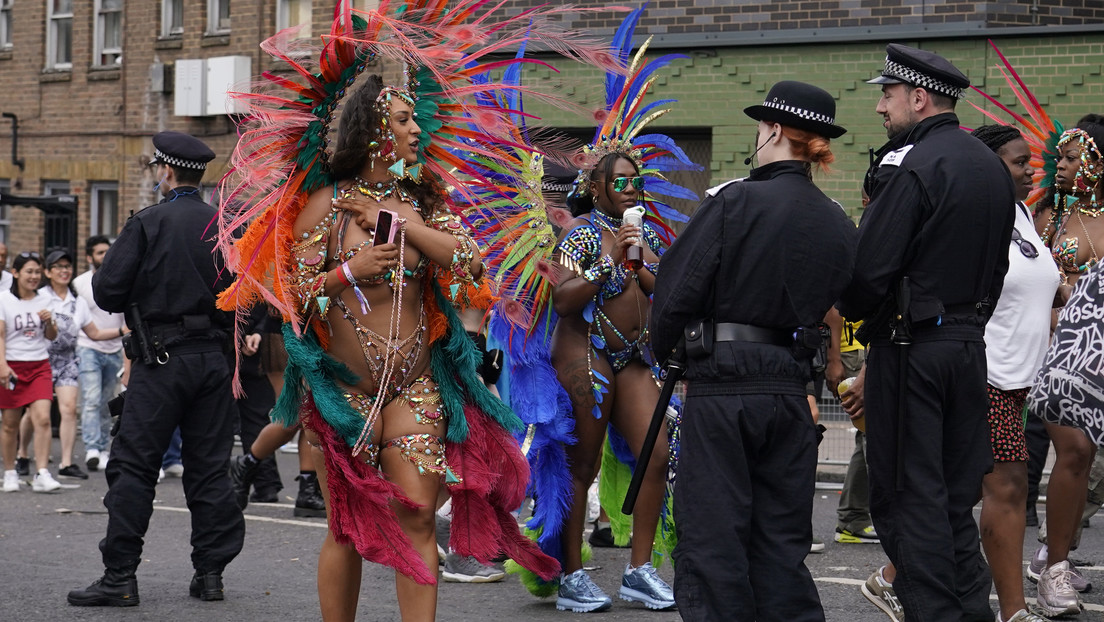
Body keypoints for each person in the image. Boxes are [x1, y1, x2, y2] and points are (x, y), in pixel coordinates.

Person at [651, 80, 856, 621]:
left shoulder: (735, 201)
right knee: (780, 545)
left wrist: (664, 350)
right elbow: (850, 297)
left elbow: (676, 289)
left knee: (715, 542)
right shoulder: (836, 220)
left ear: (771, 131)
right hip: (791, 391)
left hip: (724, 388)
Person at [838, 44, 1016, 621]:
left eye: (887, 96)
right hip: (966, 350)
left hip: (911, 351)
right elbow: (998, 268)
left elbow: (867, 274)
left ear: (918, 98)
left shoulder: (913, 164)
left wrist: (858, 310)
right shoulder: (989, 165)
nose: (881, 109)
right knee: (949, 503)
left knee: (910, 504)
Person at [67, 130, 244, 607]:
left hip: (162, 357)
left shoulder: (147, 223)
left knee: (134, 467)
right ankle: (210, 575)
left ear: (166, 172)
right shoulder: (225, 226)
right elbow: (245, 293)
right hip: (212, 358)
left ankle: (119, 576)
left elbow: (106, 292)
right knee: (209, 470)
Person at [969, 125, 1060, 622]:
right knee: (1007, 488)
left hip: (1027, 381)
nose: (1031, 170)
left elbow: (1037, 289)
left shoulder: (1022, 214)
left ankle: (892, 576)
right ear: (986, 165)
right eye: (1018, 161)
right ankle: (1013, 610)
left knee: (964, 487)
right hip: (988, 374)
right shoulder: (976, 217)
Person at [1029, 116, 1104, 615]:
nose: (1061, 166)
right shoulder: (1051, 218)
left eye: (1073, 158)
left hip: (1098, 352)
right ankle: (1052, 568)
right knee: (1074, 450)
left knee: (1085, 459)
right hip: (1058, 352)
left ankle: (1059, 555)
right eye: (1061, 156)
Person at [38, 248, 125, 480]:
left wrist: (121, 331)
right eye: (58, 267)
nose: (64, 271)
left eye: (67, 266)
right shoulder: (40, 297)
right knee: (38, 416)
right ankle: (23, 456)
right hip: (41, 361)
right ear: (47, 272)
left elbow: (94, 332)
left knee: (69, 410)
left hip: (68, 360)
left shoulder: (77, 300)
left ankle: (68, 462)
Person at [0, 251, 61, 493]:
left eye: (37, 272)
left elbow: (52, 337)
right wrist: (2, 365)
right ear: (15, 273)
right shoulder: (4, 299)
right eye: (29, 271)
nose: (34, 276)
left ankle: (42, 472)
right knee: (9, 424)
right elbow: (1, 335)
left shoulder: (45, 299)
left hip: (39, 365)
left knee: (43, 419)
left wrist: (49, 322)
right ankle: (9, 472)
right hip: (13, 365)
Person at [72, 235, 126, 473]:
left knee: (107, 402)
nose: (105, 256)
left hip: (115, 347)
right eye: (100, 252)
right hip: (89, 347)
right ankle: (93, 448)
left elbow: (127, 319)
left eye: (108, 251)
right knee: (92, 399)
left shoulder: (121, 280)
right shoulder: (80, 284)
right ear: (89, 257)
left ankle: (103, 449)